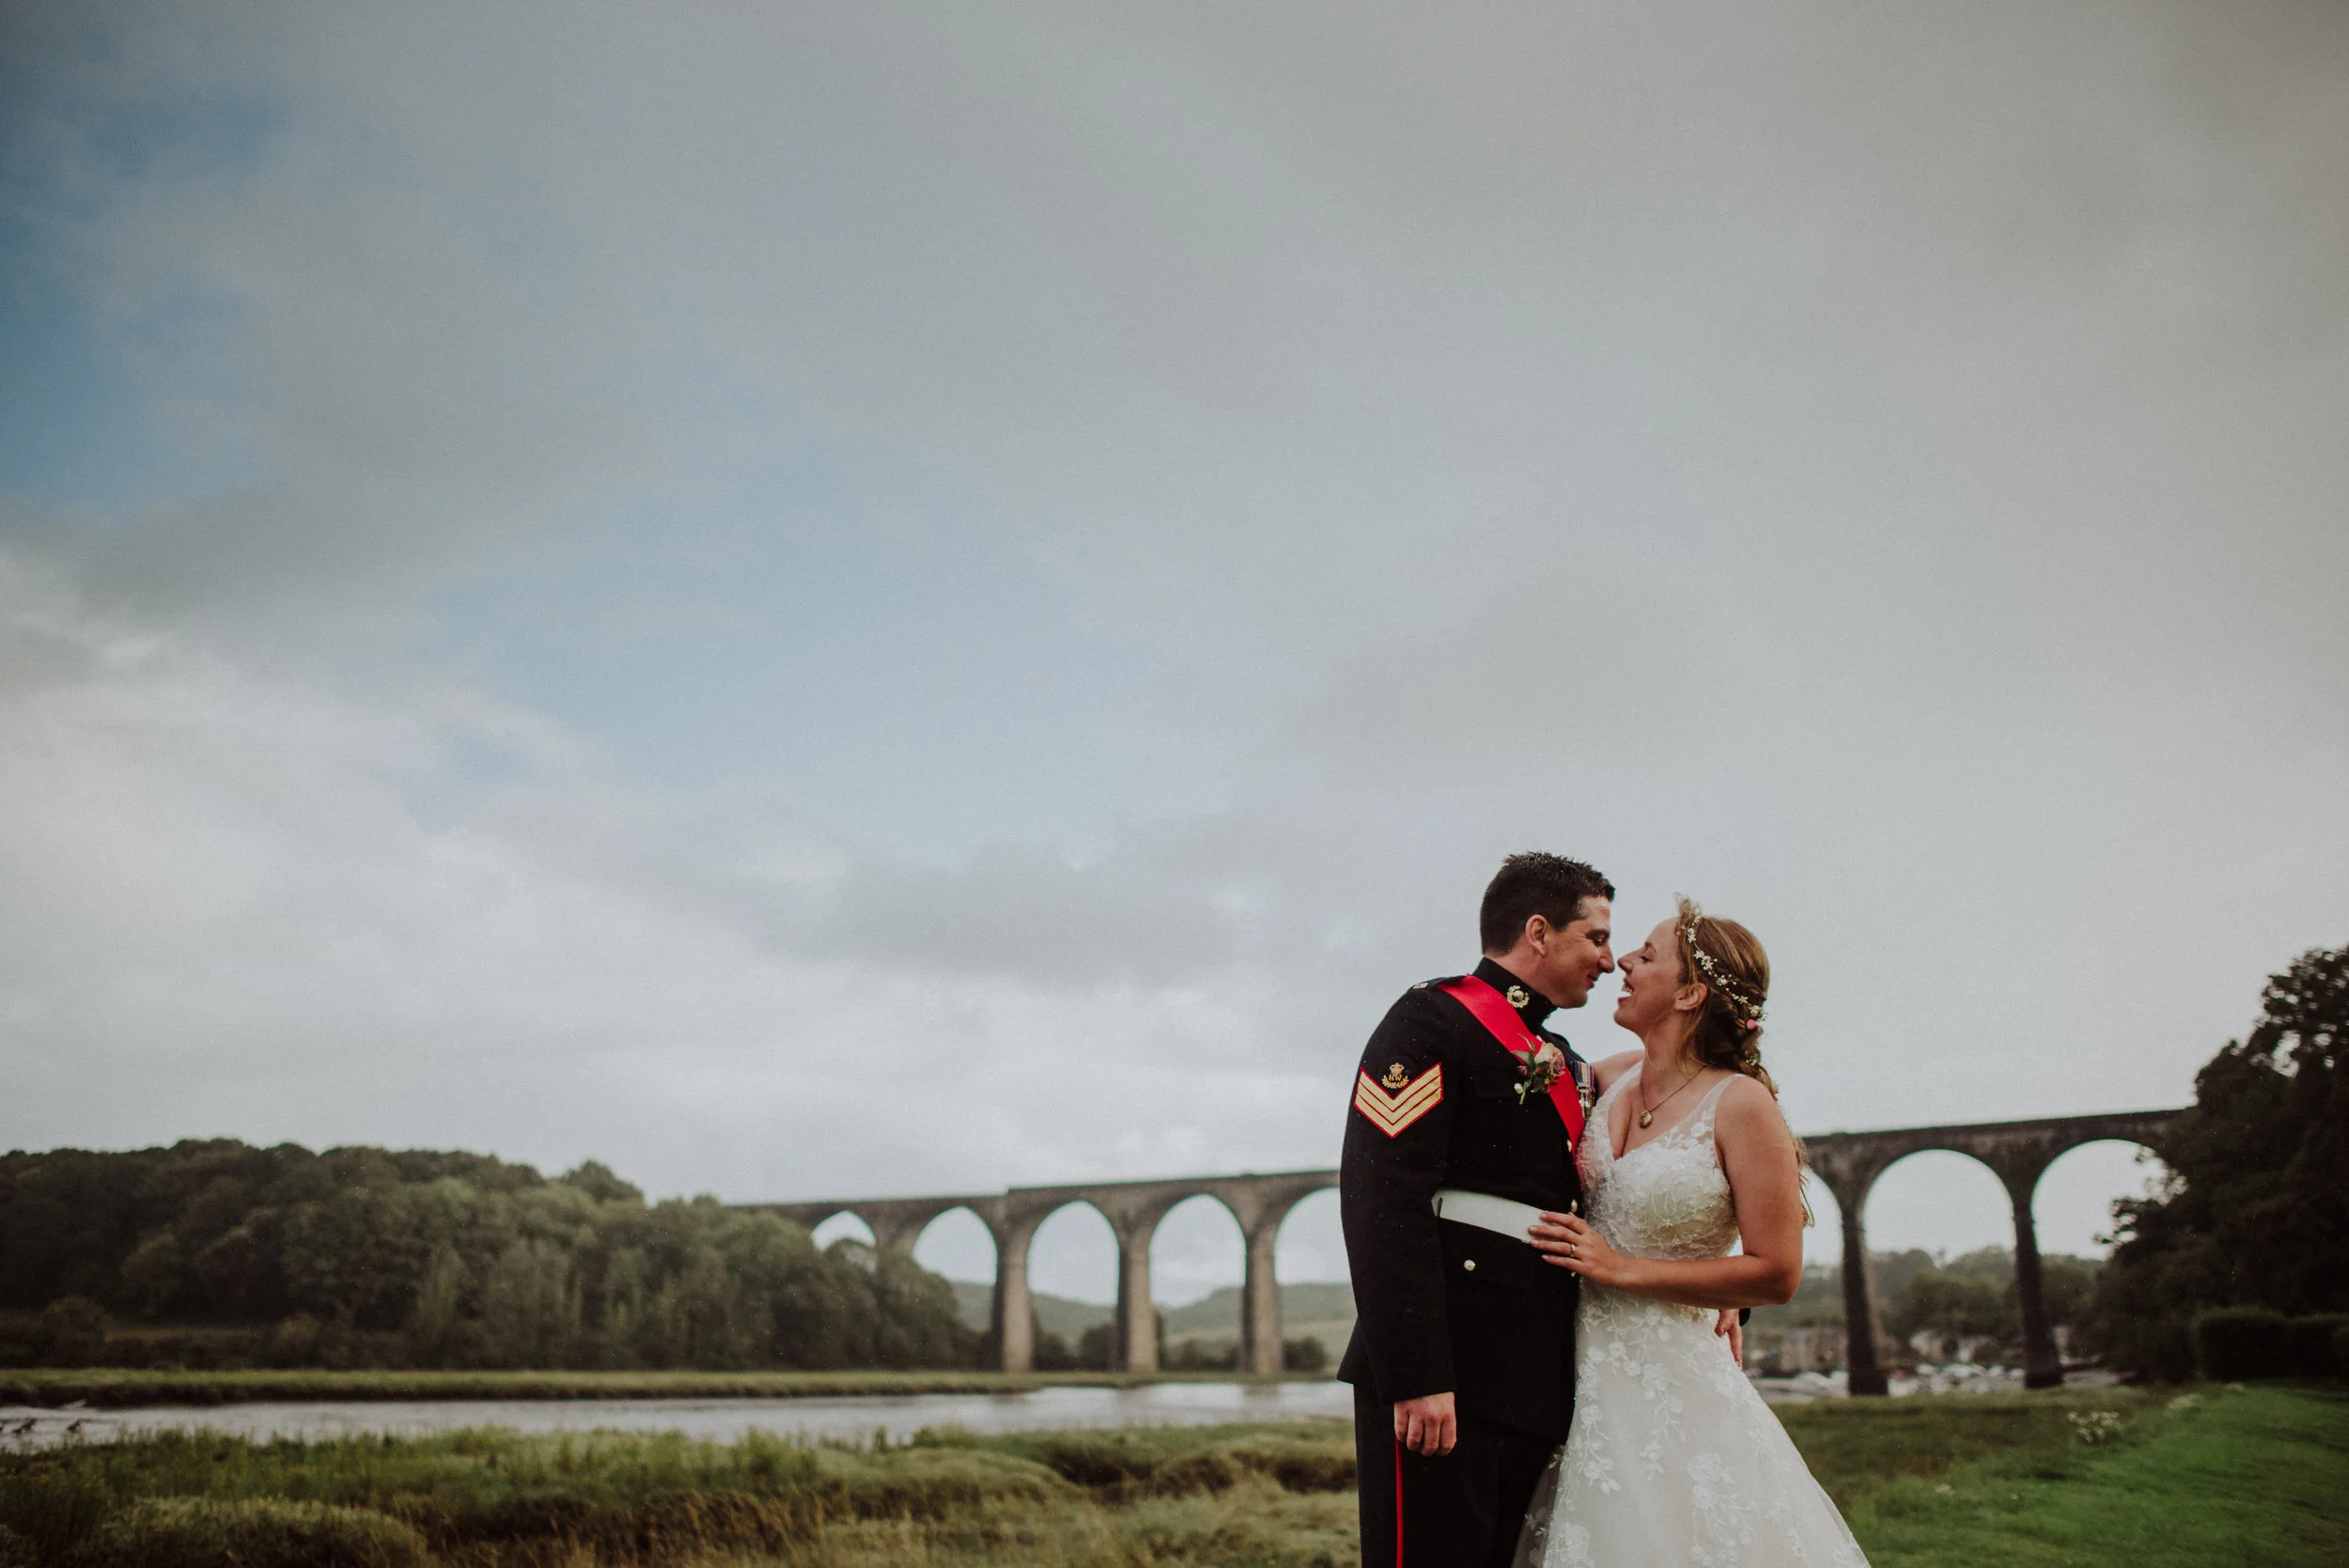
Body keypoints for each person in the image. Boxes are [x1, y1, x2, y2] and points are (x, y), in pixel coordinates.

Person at [1517, 899, 1867, 1567]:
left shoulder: (1742, 1104)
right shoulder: (1607, 1078)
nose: (1622, 960)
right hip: (1578, 1375)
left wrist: (1623, 1268)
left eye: (1646, 955)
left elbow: (1777, 1272)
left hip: (1674, 1381)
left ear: (1690, 992)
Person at [1338, 852, 1616, 1568]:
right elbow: (1382, 1197)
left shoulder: (1561, 1055)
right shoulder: (1430, 1019)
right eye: (1595, 937)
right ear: (1538, 932)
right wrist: (1417, 1372)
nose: (1609, 961)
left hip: (1539, 1377)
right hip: (1448, 1372)